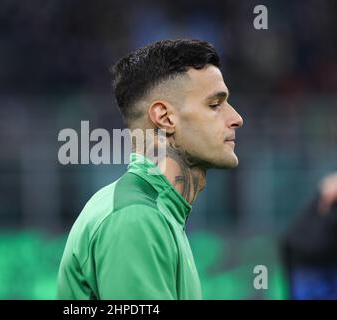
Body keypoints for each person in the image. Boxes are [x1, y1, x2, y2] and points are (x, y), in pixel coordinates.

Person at [57, 39, 244, 299]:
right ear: (165, 118)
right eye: (214, 105)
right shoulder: (136, 218)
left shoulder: (157, 213)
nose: (236, 118)